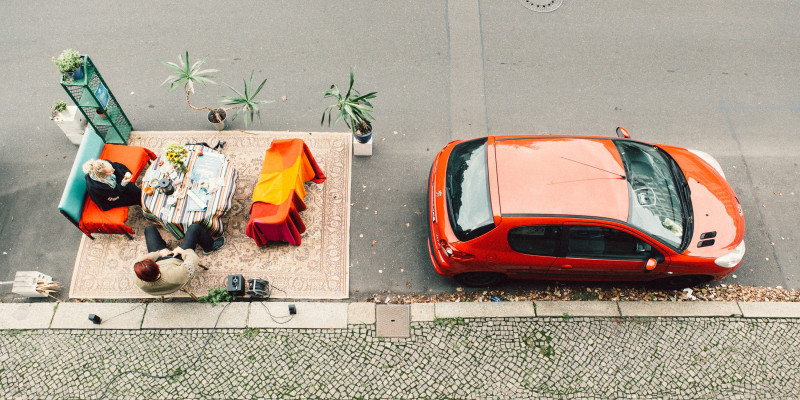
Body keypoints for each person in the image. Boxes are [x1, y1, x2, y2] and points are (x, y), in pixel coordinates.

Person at [133, 224, 226, 296]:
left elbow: (137, 262)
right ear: (157, 267)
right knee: (194, 228)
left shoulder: (137, 277)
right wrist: (182, 251)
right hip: (177, 261)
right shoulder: (176, 275)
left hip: (160, 258)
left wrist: (159, 253)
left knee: (149, 229)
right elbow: (193, 259)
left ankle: (162, 245)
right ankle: (209, 246)